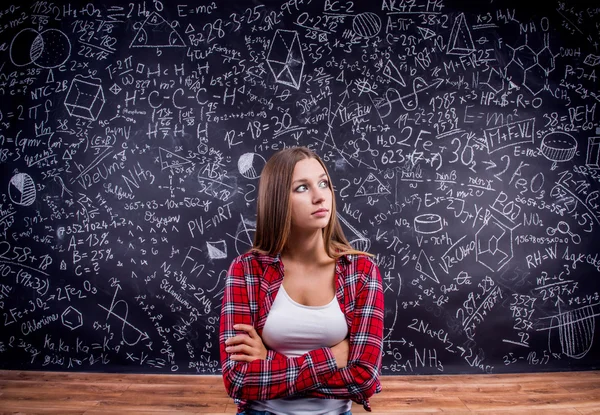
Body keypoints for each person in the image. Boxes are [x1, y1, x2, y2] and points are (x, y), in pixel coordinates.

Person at [219, 146, 384, 415]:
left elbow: (364, 379)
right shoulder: (247, 270)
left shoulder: (361, 271)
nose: (320, 197)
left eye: (323, 183)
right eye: (302, 188)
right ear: (277, 199)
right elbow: (238, 379)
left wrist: (269, 361)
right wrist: (332, 358)